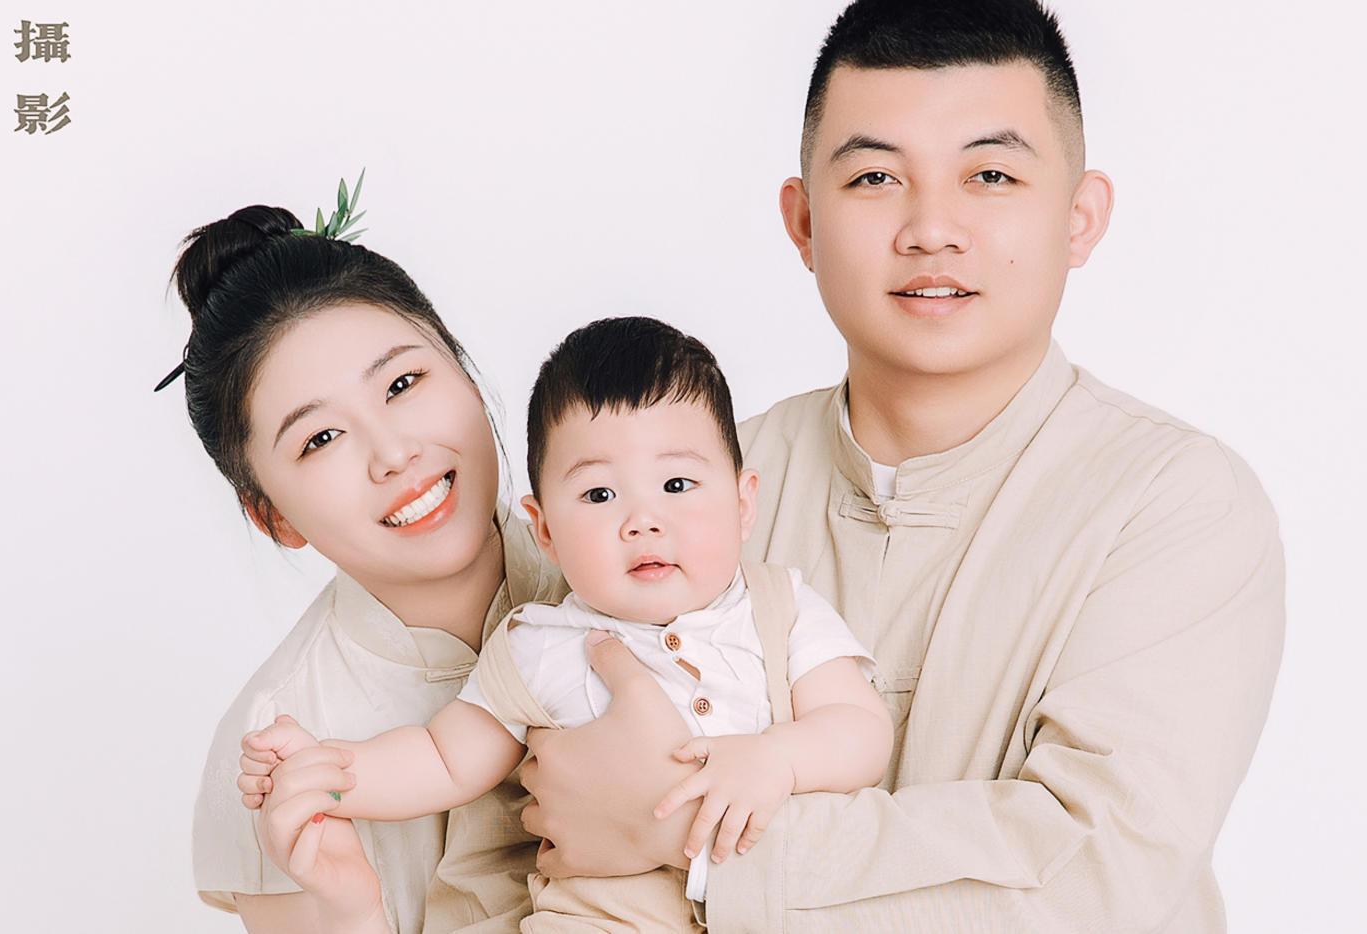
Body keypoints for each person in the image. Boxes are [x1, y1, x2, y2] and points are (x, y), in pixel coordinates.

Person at [515, 2, 1286, 931]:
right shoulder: (672, 492)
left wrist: (680, 832)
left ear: (1080, 219)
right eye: (875, 177)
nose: (931, 228)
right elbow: (524, 828)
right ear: (804, 222)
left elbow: (1092, 873)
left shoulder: (1175, 503)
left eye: (991, 174)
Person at [239, 316, 892, 933]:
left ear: (744, 503)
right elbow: (443, 758)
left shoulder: (782, 608)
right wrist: (329, 771)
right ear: (546, 528)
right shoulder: (539, 645)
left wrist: (777, 757)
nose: (643, 521)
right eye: (600, 495)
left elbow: (861, 729)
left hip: (773, 906)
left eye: (677, 485)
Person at [170, 201, 568, 934]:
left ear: (464, 372)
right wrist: (351, 912)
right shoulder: (272, 755)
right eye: (321, 438)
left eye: (402, 384)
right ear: (273, 516)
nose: (393, 453)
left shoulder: (640, 561)